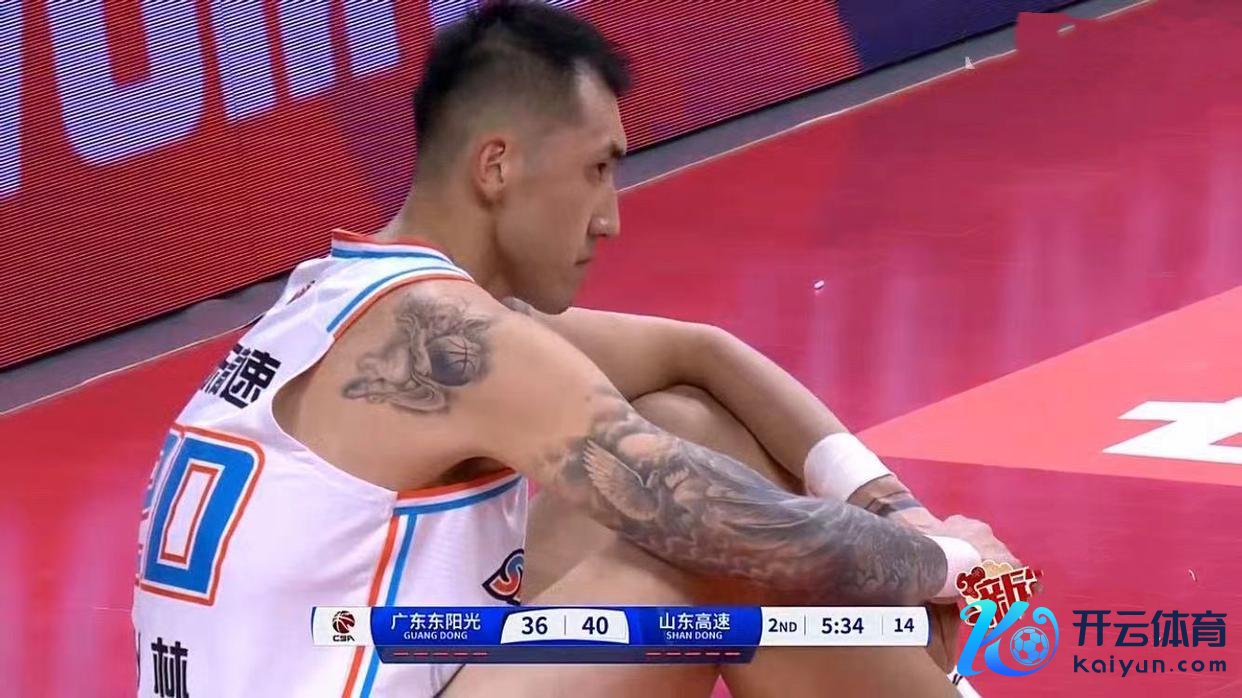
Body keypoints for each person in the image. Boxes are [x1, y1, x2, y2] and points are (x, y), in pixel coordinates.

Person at [132, 2, 1019, 696]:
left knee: (684, 427)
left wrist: (901, 514)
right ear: (497, 167)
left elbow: (701, 353)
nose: (610, 217)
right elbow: (717, 522)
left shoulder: (350, 300)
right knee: (713, 551)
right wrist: (950, 565)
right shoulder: (459, 340)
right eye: (598, 169)